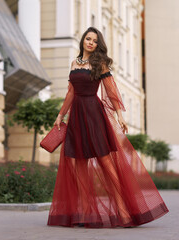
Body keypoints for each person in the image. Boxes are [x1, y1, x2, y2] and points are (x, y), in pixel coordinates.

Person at [47, 27, 169, 228]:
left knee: (107, 164)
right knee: (80, 166)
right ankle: (85, 214)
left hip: (94, 115)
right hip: (77, 116)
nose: (90, 43)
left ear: (98, 45)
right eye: (88, 39)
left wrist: (120, 116)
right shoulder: (73, 63)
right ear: (83, 40)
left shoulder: (100, 63)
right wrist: (60, 115)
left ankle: (123, 212)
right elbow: (70, 93)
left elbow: (111, 91)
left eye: (94, 41)